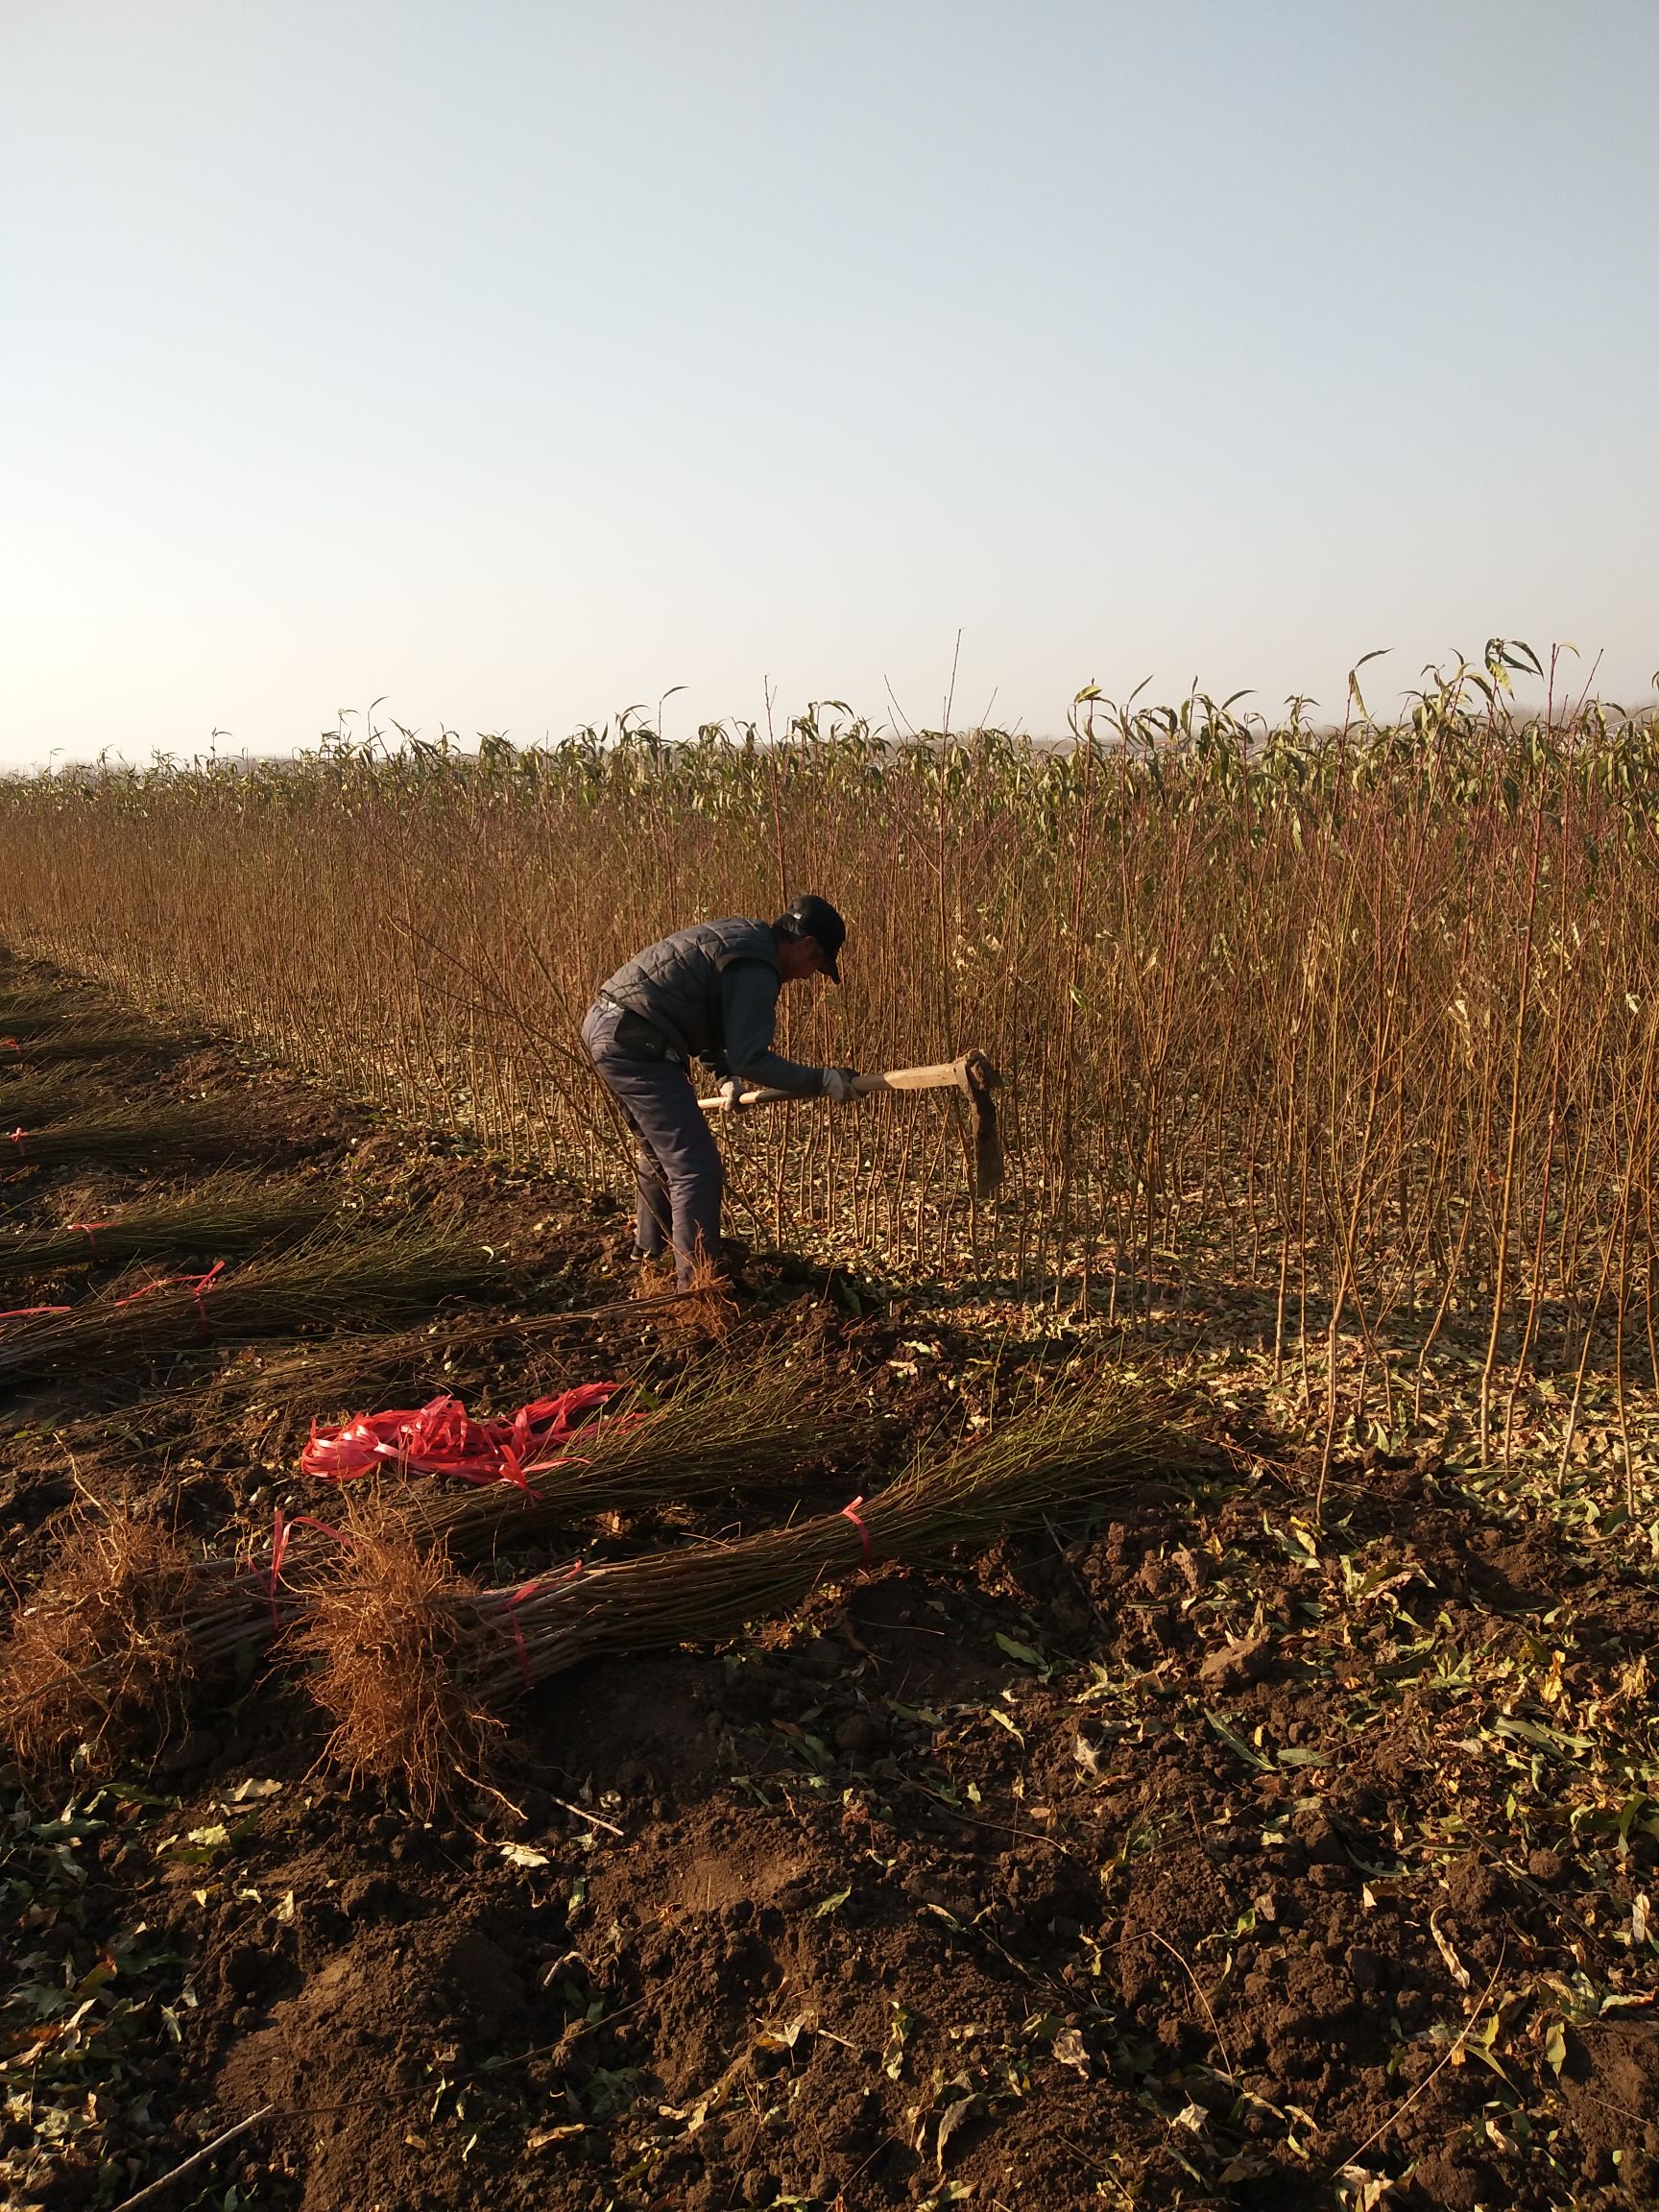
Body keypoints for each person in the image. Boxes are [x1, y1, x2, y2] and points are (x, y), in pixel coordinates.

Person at [581, 895, 857, 1289]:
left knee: (660, 1155)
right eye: (818, 965)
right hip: (636, 1040)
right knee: (695, 1167)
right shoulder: (758, 965)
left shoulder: (742, 938)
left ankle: (651, 1258)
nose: (809, 976)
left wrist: (724, 1075)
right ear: (807, 945)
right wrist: (823, 1080)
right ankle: (697, 1288)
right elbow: (752, 1058)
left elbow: (699, 1006)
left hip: (607, 1025)